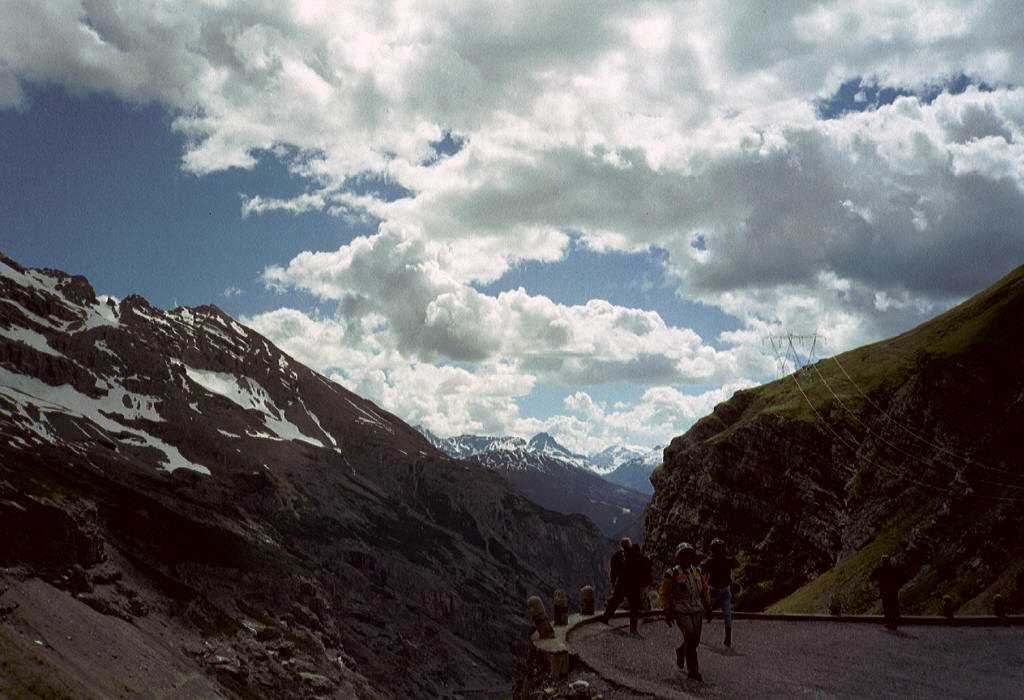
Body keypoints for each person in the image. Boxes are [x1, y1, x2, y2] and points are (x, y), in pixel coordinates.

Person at [659, 542, 711, 681]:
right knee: (690, 637)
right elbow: (664, 593)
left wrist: (708, 606)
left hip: (697, 610)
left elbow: (704, 590)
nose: (686, 558)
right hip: (681, 611)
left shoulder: (697, 572)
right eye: (683, 556)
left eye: (688, 555)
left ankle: (681, 651)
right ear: (678, 558)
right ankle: (693, 672)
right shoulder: (672, 574)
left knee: (696, 640)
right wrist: (667, 611)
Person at [599, 537, 651, 634]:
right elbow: (643, 569)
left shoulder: (617, 556)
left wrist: (613, 582)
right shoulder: (637, 555)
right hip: (634, 585)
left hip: (622, 584)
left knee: (614, 601)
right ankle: (633, 629)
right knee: (634, 607)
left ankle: (605, 618)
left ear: (621, 546)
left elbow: (614, 572)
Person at [701, 538, 739, 647]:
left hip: (713, 589)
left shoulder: (711, 560)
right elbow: (736, 564)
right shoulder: (728, 560)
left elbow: (701, 567)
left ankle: (695, 630)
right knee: (727, 614)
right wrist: (729, 554)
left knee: (704, 610)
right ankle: (728, 638)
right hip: (725, 589)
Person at [869, 555, 902, 629]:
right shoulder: (893, 569)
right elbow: (899, 578)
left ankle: (889, 622)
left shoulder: (880, 569)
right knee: (894, 606)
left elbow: (871, 577)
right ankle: (895, 621)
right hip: (893, 591)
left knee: (887, 607)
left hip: (884, 591)